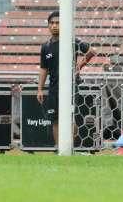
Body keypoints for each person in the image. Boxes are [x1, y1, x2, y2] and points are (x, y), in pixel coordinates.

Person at [37, 10, 96, 146]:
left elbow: (92, 52)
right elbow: (43, 68)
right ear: (48, 26)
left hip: (71, 86)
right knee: (55, 119)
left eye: (57, 23)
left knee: (70, 118)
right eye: (51, 23)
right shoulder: (45, 47)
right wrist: (39, 89)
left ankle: (69, 146)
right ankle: (59, 148)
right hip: (54, 87)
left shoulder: (72, 41)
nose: (54, 26)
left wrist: (79, 66)